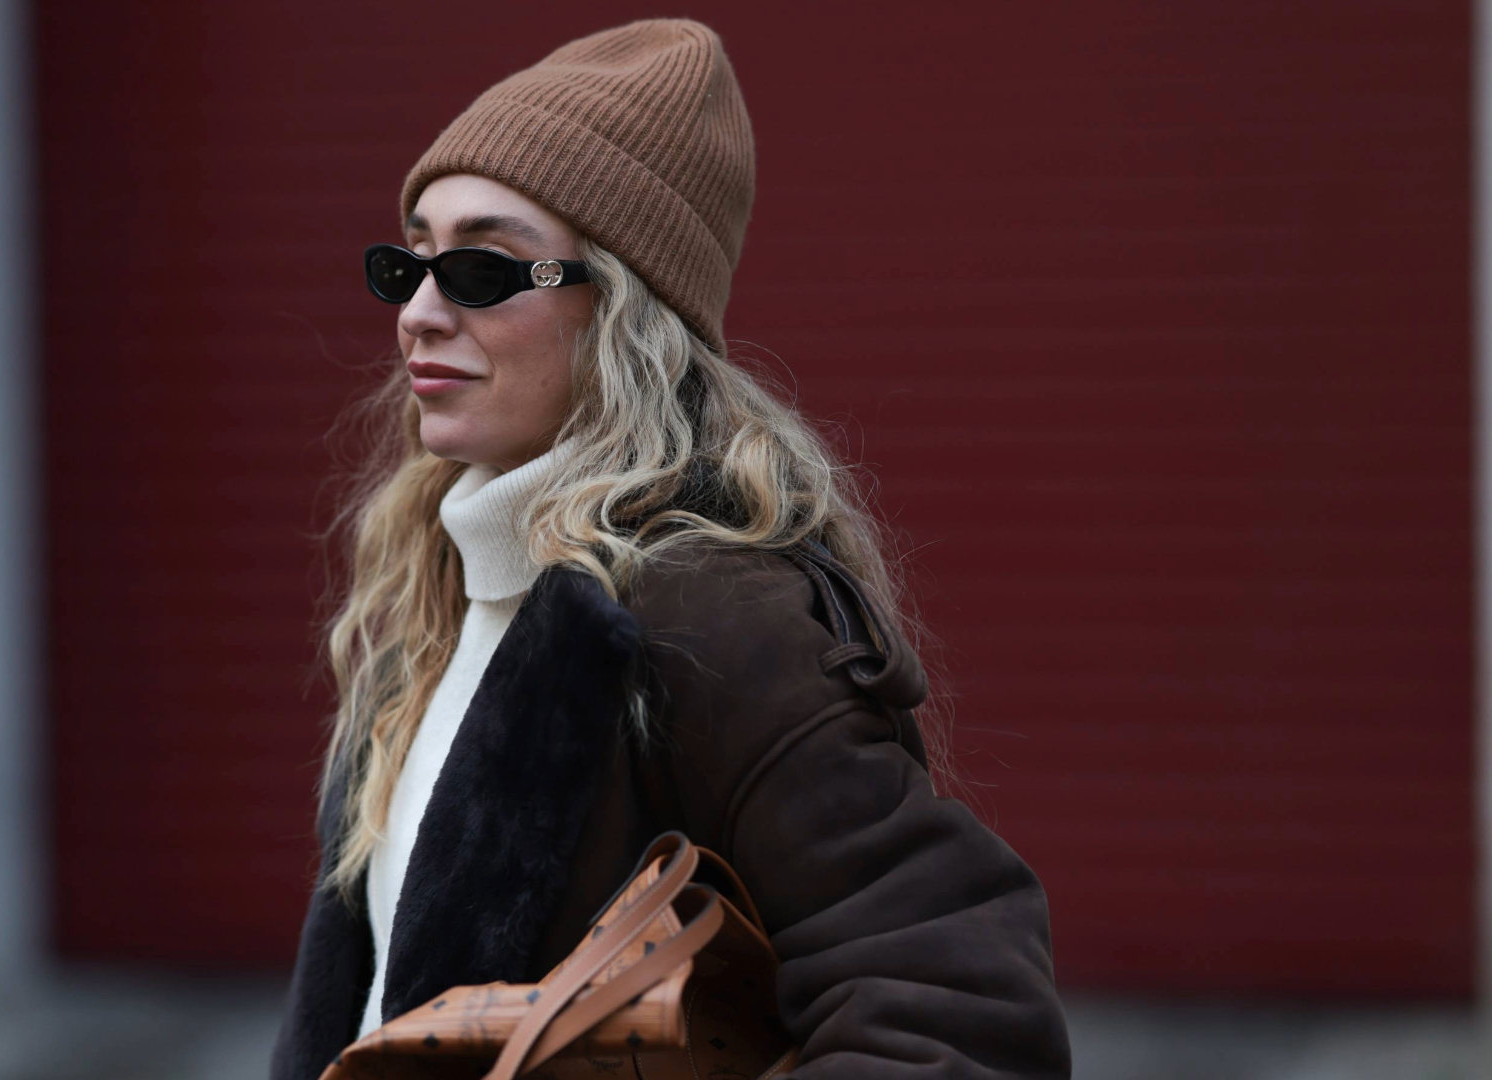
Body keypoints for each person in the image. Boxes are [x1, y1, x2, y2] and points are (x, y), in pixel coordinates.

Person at [270, 17, 1071, 1080]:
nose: (418, 311)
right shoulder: (430, 602)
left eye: (480, 268)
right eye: (411, 259)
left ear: (623, 309)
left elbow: (961, 1010)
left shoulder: (713, 617)